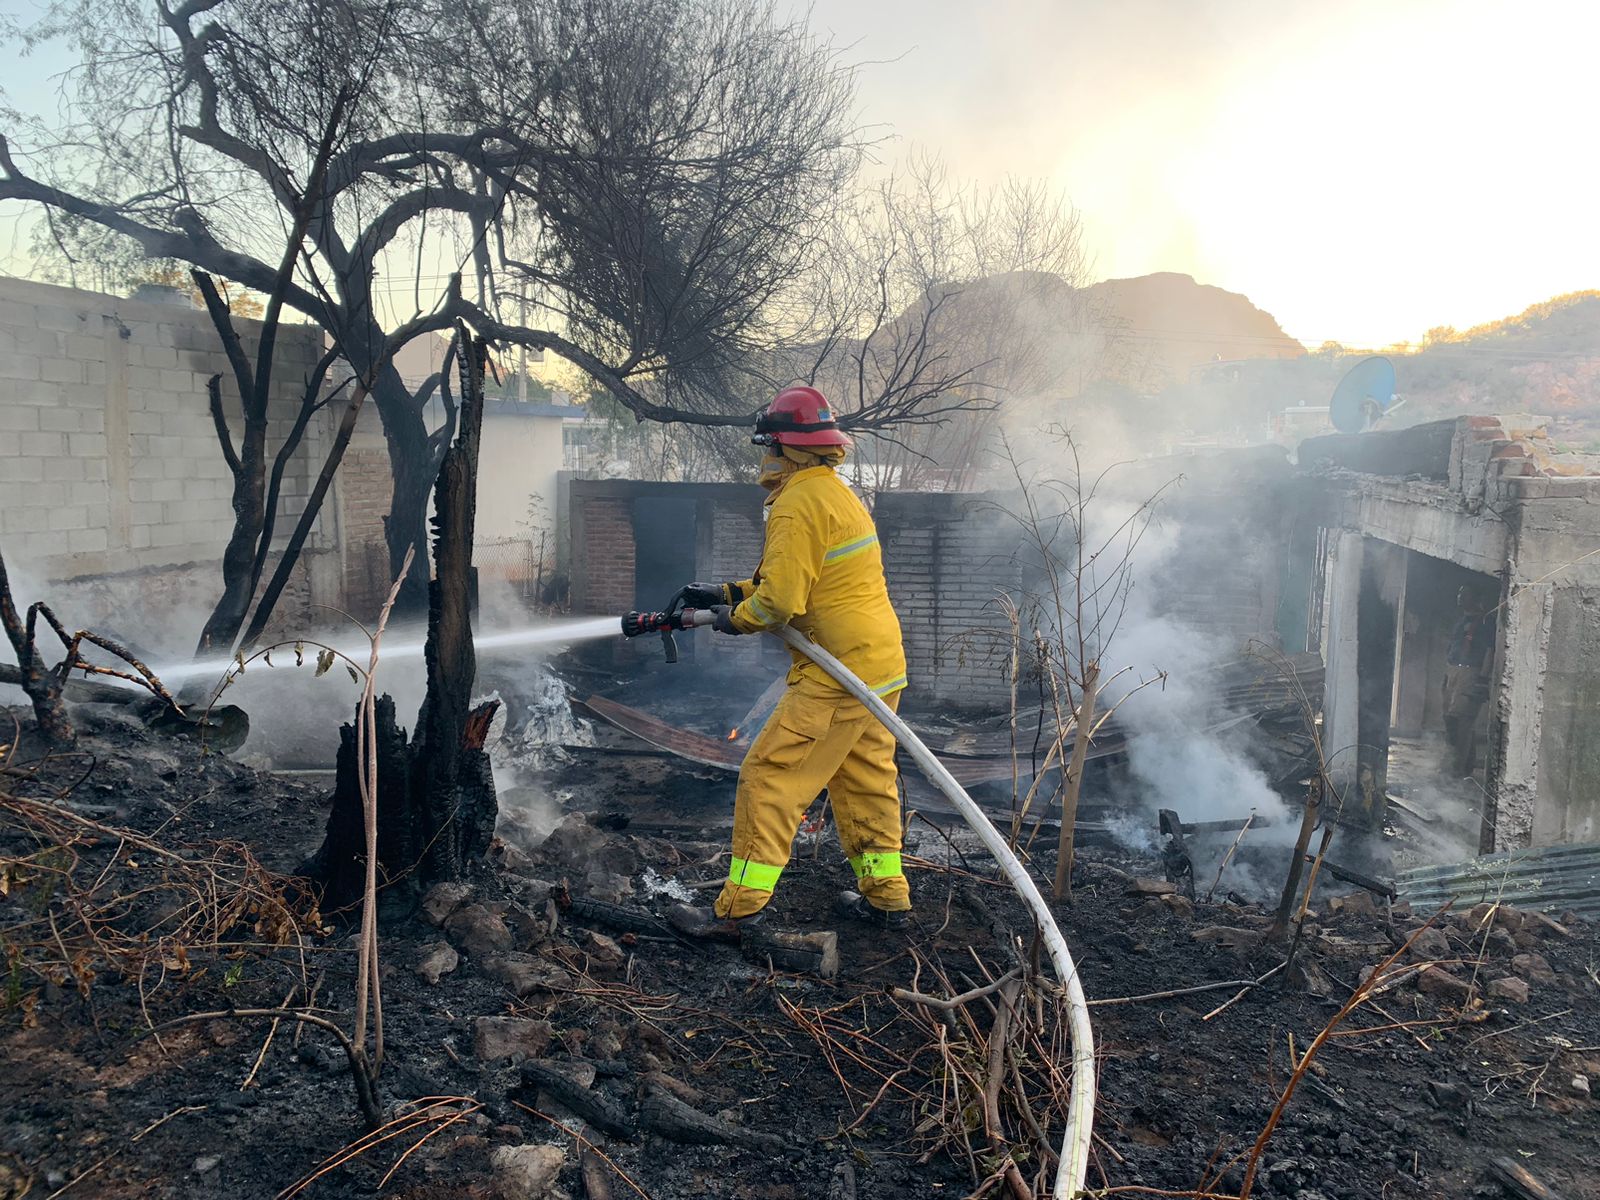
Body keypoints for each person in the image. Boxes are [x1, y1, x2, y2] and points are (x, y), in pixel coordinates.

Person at [668, 385, 911, 938]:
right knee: (864, 779)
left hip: (837, 671)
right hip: (877, 663)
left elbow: (778, 602)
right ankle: (889, 899)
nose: (765, 456)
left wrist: (737, 618)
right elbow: (784, 579)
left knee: (768, 776)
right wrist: (724, 593)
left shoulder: (798, 501)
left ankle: (738, 912)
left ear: (782, 445)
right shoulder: (834, 493)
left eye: (767, 444)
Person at [1441, 586, 1495, 778]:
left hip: (1470, 672)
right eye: (1459, 593)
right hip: (1453, 671)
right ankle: (1464, 766)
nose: (1460, 597)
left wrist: (1482, 679)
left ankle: (1456, 769)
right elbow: (1451, 648)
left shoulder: (1485, 621)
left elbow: (1490, 651)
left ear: (1476, 598)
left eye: (1465, 594)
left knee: (1462, 720)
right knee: (1450, 719)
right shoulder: (1461, 621)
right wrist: (1447, 676)